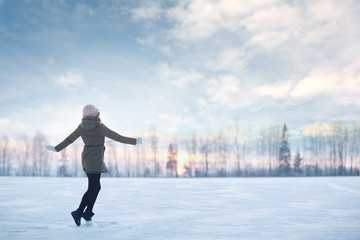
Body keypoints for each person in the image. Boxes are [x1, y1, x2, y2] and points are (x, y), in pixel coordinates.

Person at [45, 104, 142, 226]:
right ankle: (79, 211)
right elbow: (117, 137)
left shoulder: (81, 127)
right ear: (97, 114)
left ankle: (88, 212)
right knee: (93, 187)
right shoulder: (99, 126)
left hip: (87, 158)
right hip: (95, 160)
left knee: (96, 187)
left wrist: (56, 148)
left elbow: (69, 139)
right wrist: (135, 141)